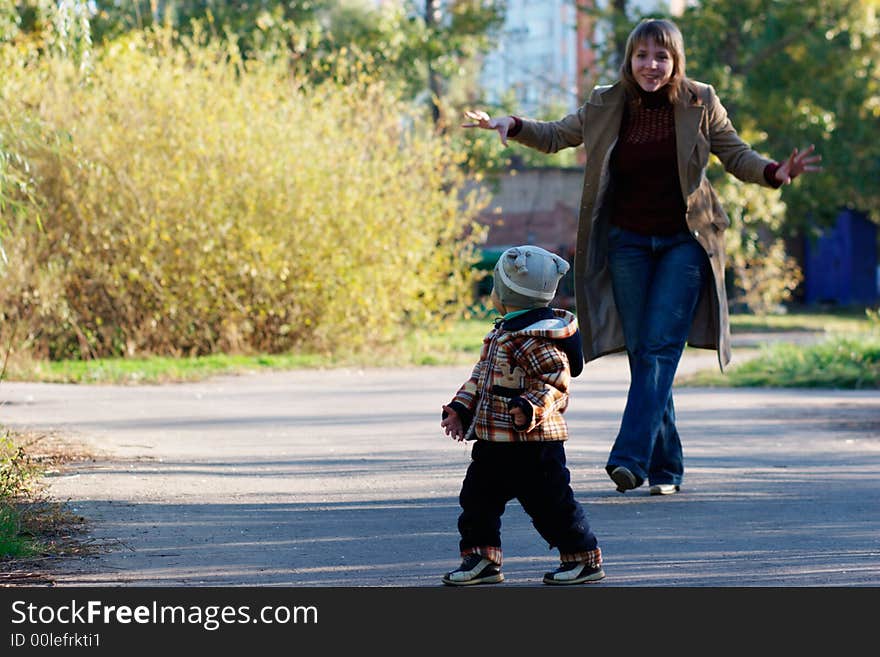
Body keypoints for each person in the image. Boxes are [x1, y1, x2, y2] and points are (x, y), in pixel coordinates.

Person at [462, 18, 822, 497]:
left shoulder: (700, 101)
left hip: (684, 243)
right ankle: (667, 467)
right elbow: (556, 135)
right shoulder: (606, 102)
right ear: (630, 60)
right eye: (642, 56)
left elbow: (737, 155)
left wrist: (776, 172)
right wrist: (513, 124)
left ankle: (630, 457)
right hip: (627, 243)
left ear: (675, 61)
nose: (651, 66)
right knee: (646, 354)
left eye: (661, 56)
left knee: (658, 350)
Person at [440, 245, 604, 586]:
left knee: (552, 507)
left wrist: (530, 407)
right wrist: (459, 408)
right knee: (476, 500)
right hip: (493, 441)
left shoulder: (536, 340)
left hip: (535, 446)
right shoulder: (502, 334)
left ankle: (583, 558)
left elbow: (556, 384)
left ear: (503, 292)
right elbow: (480, 377)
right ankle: (482, 557)